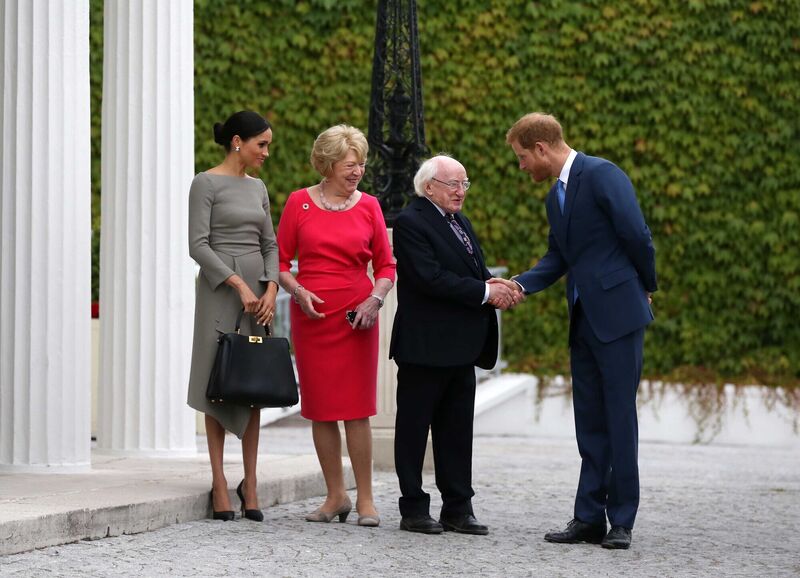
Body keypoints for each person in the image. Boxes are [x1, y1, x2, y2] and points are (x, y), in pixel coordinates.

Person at [496, 112, 657, 549]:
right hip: (583, 320)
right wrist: (518, 285)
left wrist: (646, 287)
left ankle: (621, 520)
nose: (522, 166)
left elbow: (637, 235)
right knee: (589, 422)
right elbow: (557, 258)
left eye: (522, 157)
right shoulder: (555, 198)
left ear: (542, 149)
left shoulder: (603, 174)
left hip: (620, 315)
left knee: (619, 417)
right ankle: (588, 517)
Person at [390, 154, 519, 536]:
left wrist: (500, 286)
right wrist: (485, 291)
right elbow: (430, 278)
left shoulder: (459, 221)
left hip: (462, 347)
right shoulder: (411, 222)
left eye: (465, 184)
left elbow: (475, 271)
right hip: (425, 346)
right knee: (414, 430)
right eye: (453, 184)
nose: (461, 191)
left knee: (457, 431)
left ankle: (458, 508)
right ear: (429, 186)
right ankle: (413, 507)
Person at [277, 125, 395, 527]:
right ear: (327, 165)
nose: (358, 171)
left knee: (357, 411)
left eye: (361, 163)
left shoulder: (370, 207)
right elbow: (278, 265)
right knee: (321, 410)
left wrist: (375, 299)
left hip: (357, 317)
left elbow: (386, 265)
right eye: (350, 164)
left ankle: (366, 500)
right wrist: (297, 291)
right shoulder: (298, 203)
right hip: (311, 318)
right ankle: (335, 495)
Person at [187, 110, 278, 523]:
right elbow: (198, 245)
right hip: (220, 291)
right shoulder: (205, 183)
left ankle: (251, 482)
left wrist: (270, 288)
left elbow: (270, 243)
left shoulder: (258, 187)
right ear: (238, 141)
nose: (266, 152)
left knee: (254, 384)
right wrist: (238, 284)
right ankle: (220, 482)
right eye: (262, 144)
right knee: (217, 384)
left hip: (259, 294)